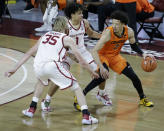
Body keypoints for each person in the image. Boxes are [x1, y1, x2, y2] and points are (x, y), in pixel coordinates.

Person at [5, 16, 99, 125]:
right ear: (65, 26)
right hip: (52, 66)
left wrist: (15, 68)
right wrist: (91, 71)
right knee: (76, 87)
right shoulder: (67, 38)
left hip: (38, 65)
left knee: (41, 82)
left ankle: (31, 109)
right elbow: (81, 60)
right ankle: (86, 116)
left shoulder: (44, 36)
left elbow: (29, 52)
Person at [75, 10, 154, 109]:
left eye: (117, 24)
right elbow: (94, 51)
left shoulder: (129, 31)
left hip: (115, 56)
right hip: (102, 55)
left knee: (134, 76)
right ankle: (80, 96)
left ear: (123, 24)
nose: (114, 26)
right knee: (102, 76)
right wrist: (102, 67)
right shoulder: (108, 32)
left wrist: (143, 53)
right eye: (112, 23)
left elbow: (134, 47)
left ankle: (142, 98)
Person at [40, 3, 112, 112]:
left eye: (82, 13)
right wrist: (70, 55)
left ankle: (101, 93)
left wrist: (103, 36)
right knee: (59, 77)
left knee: (101, 71)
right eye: (79, 13)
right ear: (72, 15)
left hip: (82, 52)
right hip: (67, 53)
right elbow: (59, 45)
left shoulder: (85, 23)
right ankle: (47, 99)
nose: (82, 15)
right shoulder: (65, 27)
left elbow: (91, 33)